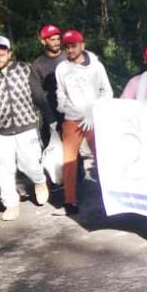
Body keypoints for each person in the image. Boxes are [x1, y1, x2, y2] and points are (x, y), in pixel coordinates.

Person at [0, 36, 55, 221]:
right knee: (3, 169)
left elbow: (39, 96)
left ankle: (40, 181)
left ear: (9, 54)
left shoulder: (24, 69)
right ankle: (11, 203)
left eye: (2, 55)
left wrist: (51, 119)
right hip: (0, 132)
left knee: (30, 164)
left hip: (26, 127)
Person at [55, 29, 113, 215]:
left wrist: (92, 112)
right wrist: (62, 104)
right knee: (69, 161)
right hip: (71, 120)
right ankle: (70, 201)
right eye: (67, 47)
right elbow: (60, 90)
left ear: (82, 45)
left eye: (73, 46)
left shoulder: (96, 66)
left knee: (103, 158)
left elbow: (107, 92)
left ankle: (111, 196)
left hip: (94, 120)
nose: (70, 50)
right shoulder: (61, 68)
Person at [31, 24, 65, 147]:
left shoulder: (69, 58)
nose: (56, 42)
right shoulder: (38, 65)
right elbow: (37, 93)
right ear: (43, 41)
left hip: (72, 113)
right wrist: (49, 117)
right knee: (51, 150)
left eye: (58, 39)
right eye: (52, 39)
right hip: (50, 114)